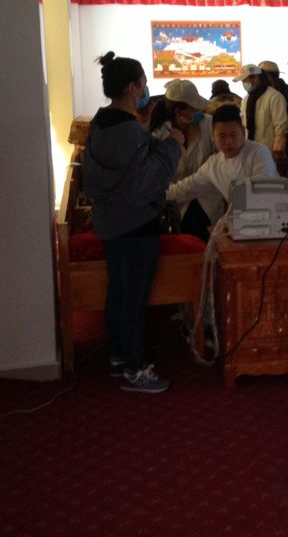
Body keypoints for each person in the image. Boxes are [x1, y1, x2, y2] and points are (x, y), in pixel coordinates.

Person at [83, 51, 184, 393]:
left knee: (118, 292)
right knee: (135, 298)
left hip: (108, 222)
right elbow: (143, 184)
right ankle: (135, 368)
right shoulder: (129, 132)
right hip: (135, 225)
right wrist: (172, 146)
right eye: (143, 82)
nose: (145, 87)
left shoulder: (99, 124)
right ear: (131, 88)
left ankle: (117, 355)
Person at [166, 104, 278, 229]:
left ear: (243, 131)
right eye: (222, 136)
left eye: (233, 135)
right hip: (242, 225)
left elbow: (263, 187)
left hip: (272, 219)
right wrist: (157, 195)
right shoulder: (214, 164)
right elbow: (186, 188)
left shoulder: (259, 152)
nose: (228, 142)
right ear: (213, 136)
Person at [161, 79, 217, 240]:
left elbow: (217, 165)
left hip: (208, 202)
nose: (200, 111)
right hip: (175, 207)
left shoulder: (209, 124)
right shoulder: (160, 134)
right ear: (179, 112)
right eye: (195, 108)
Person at [233, 63, 288, 168]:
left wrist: (278, 153)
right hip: (249, 155)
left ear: (256, 78)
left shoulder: (274, 97)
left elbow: (281, 128)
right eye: (243, 82)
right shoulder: (246, 100)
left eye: (245, 81)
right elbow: (243, 126)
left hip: (269, 155)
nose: (244, 84)